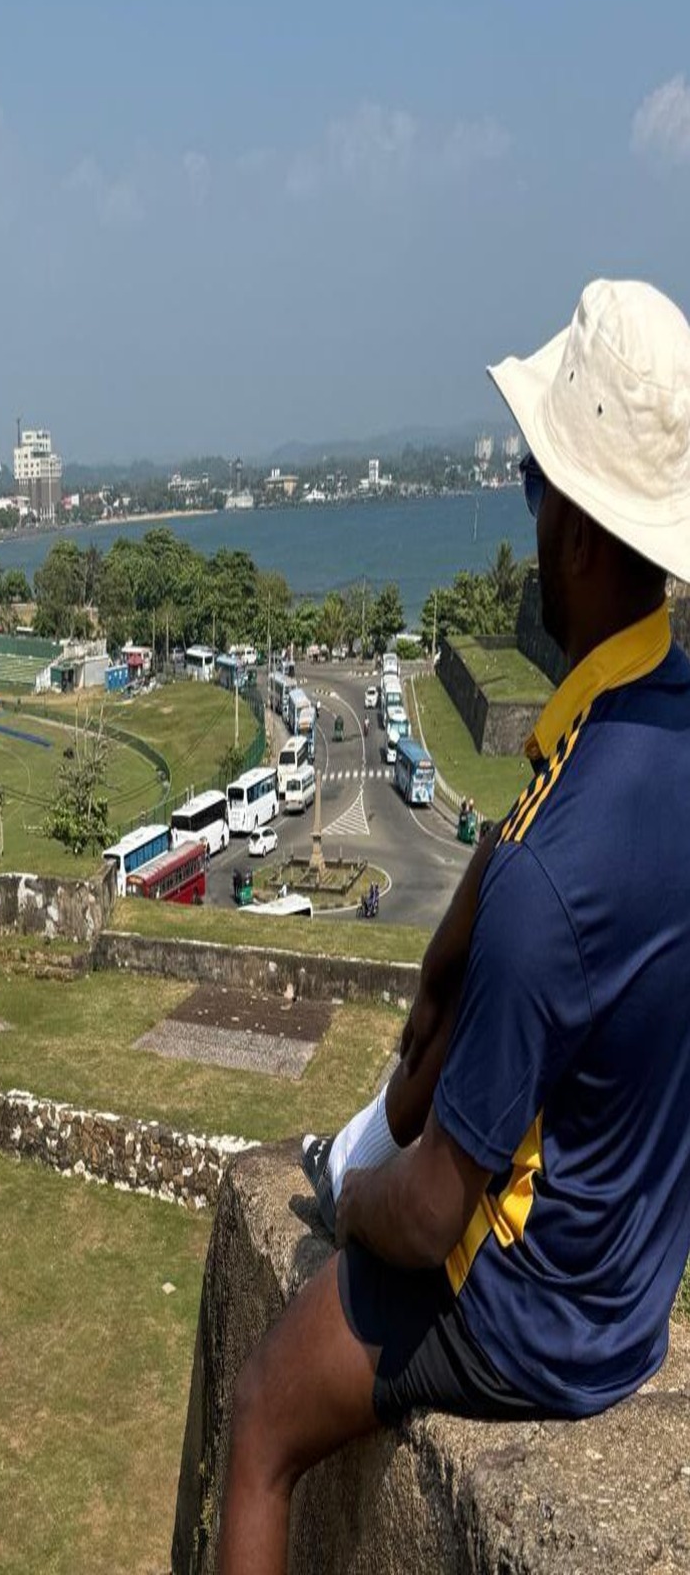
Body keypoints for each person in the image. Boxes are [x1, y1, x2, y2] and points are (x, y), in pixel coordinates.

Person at [219, 280, 690, 1574]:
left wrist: (349, 1192)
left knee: (263, 1417)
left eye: (537, 492)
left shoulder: (556, 871)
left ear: (582, 535)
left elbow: (430, 1217)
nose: (527, 520)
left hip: (536, 1319)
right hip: (640, 1289)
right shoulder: (650, 735)